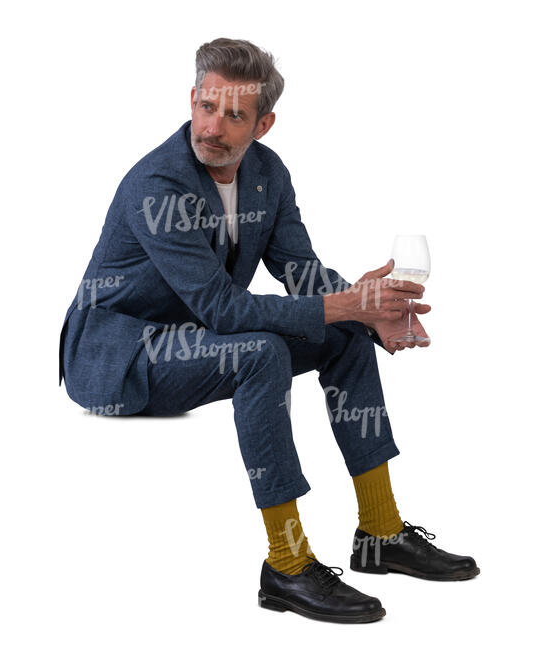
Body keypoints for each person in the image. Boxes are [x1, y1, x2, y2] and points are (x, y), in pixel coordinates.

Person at [58, 37, 479, 624]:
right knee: (259, 352)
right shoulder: (157, 185)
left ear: (263, 124)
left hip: (197, 339)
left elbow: (299, 271)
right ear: (192, 99)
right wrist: (347, 304)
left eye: (234, 116)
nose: (213, 127)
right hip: (119, 357)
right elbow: (222, 312)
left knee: (345, 335)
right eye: (207, 107)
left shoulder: (268, 173)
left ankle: (381, 534)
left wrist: (365, 307)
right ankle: (285, 564)